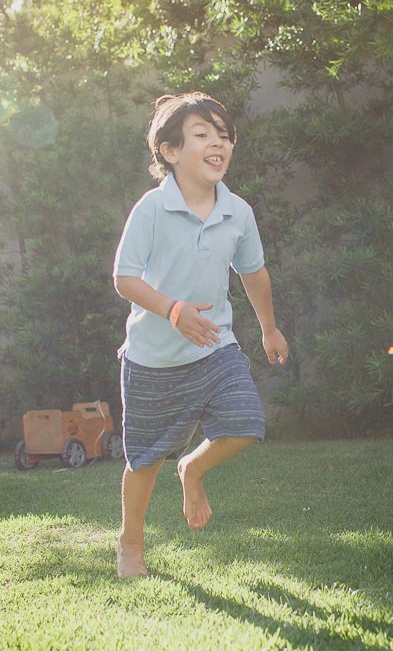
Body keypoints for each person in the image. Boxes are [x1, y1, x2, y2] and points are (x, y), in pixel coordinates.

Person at [113, 92, 288, 577]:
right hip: (152, 357)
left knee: (247, 424)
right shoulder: (151, 209)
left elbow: (253, 274)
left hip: (215, 345)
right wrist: (172, 310)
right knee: (144, 461)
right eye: (202, 134)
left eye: (224, 135)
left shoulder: (238, 211)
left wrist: (269, 330)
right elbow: (124, 278)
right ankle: (131, 544)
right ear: (170, 152)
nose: (218, 143)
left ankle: (192, 468)